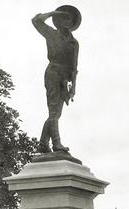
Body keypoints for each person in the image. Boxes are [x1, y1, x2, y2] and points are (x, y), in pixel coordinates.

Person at [32, 7, 80, 153]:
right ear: (58, 20)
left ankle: (42, 144)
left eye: (69, 19)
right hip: (53, 72)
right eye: (63, 18)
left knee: (56, 113)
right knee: (54, 111)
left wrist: (73, 88)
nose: (66, 21)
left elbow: (74, 67)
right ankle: (56, 144)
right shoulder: (51, 34)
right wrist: (53, 13)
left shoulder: (74, 43)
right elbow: (36, 20)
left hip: (64, 79)